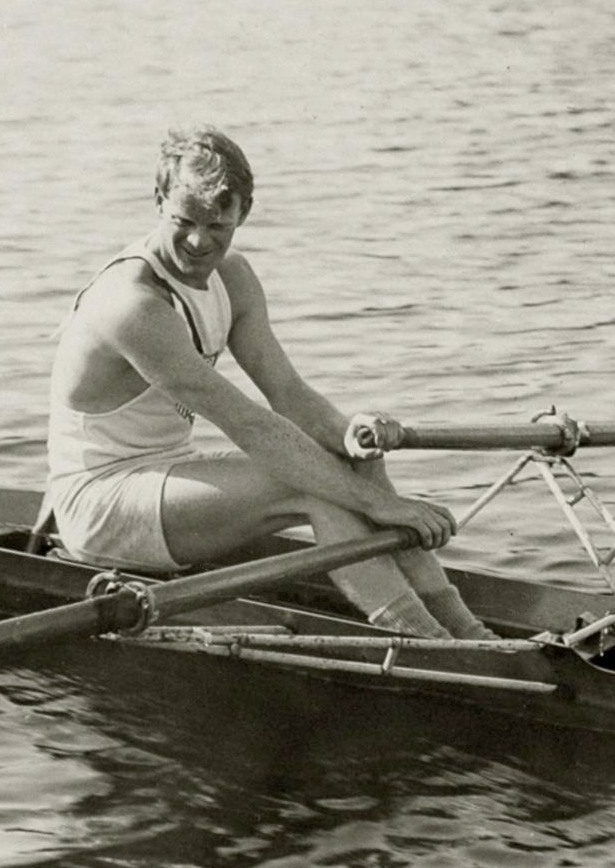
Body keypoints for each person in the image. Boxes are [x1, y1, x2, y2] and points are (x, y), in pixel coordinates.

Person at [45, 124, 494, 640]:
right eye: (183, 220)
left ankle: (469, 631)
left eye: (218, 225)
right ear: (158, 200)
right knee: (313, 486)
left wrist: (353, 434)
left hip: (165, 475)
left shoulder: (233, 277)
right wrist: (381, 505)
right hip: (101, 504)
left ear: (243, 213)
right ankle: (432, 642)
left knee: (351, 459)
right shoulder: (134, 304)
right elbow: (246, 422)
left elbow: (289, 394)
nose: (198, 240)